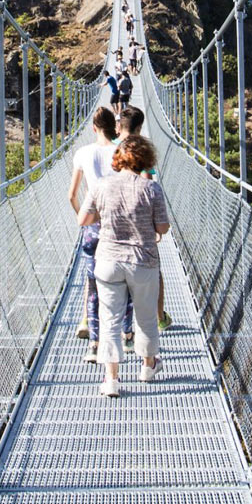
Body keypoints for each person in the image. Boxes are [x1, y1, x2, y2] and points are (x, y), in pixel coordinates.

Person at [78, 137, 171, 397]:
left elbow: (83, 218)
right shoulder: (151, 189)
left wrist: (106, 215)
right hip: (142, 262)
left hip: (107, 261)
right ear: (145, 159)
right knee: (145, 318)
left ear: (119, 158)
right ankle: (148, 367)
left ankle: (111, 380)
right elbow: (162, 227)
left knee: (110, 321)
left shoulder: (101, 185)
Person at [67, 108, 128, 358]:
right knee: (122, 281)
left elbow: (71, 196)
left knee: (92, 283)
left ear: (93, 128)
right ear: (114, 128)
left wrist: (86, 219)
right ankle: (126, 335)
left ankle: (93, 340)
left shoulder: (83, 153)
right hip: (120, 225)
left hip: (93, 225)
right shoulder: (123, 151)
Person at [117, 106, 170, 332]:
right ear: (138, 128)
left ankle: (105, 325)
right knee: (153, 273)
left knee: (109, 276)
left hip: (111, 223)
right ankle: (158, 318)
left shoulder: (106, 147)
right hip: (139, 227)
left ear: (119, 125)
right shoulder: (140, 149)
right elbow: (147, 178)